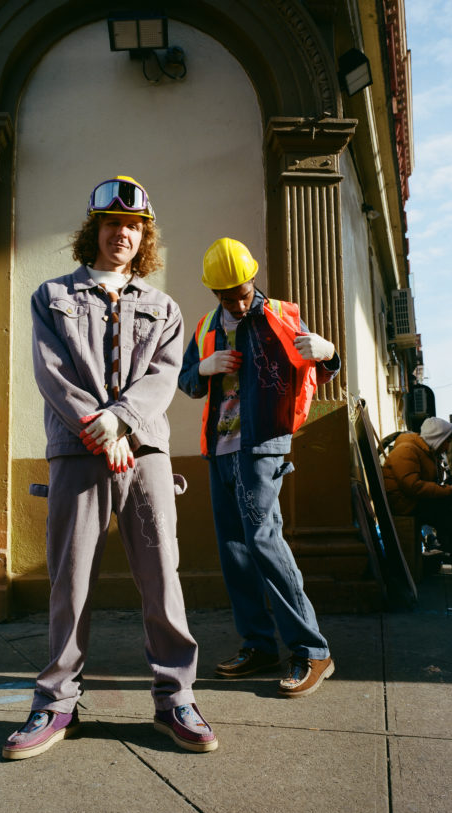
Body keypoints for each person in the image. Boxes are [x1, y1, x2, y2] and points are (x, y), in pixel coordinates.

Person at [2, 176, 217, 759]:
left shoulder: (162, 306)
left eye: (132, 227)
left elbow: (163, 377)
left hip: (143, 452)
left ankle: (176, 697)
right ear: (93, 231)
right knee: (70, 581)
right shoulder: (52, 295)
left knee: (161, 577)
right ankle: (55, 702)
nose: (121, 234)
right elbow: (52, 373)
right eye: (111, 224)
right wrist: (97, 430)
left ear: (142, 237)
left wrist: (121, 422)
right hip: (77, 452)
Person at [178, 237, 340, 698]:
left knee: (263, 540)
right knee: (234, 549)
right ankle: (259, 645)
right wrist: (204, 368)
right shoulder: (207, 325)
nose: (237, 298)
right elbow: (187, 383)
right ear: (214, 292)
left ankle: (312, 650)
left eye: (242, 288)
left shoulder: (283, 315)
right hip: (219, 449)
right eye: (227, 293)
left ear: (252, 278)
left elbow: (320, 364)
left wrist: (329, 352)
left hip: (262, 445)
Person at [383, 416, 452, 582]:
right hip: (406, 505)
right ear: (438, 438)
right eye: (447, 441)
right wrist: (449, 490)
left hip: (415, 502)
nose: (448, 446)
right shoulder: (407, 450)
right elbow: (413, 486)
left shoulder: (427, 452)